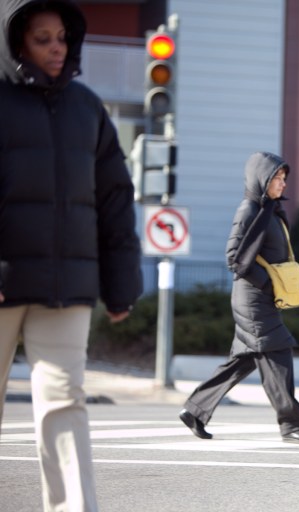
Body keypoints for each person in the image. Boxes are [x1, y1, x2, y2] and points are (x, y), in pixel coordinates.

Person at [0, 0, 143, 510]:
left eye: (61, 36)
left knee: (65, 404)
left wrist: (121, 283)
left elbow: (113, 199)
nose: (57, 47)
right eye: (43, 38)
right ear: (16, 42)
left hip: (66, 288)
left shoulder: (87, 108)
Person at [179, 152, 299, 445]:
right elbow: (233, 257)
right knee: (278, 351)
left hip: (261, 299)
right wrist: (267, 282)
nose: (282, 184)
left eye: (284, 178)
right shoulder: (249, 209)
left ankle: (195, 410)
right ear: (261, 179)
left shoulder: (269, 210)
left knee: (242, 361)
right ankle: (291, 424)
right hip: (251, 299)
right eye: (276, 178)